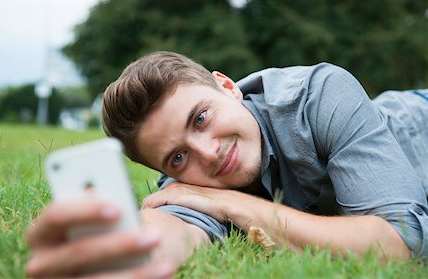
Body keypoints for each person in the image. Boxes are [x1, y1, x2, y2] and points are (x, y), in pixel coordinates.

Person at [26, 51, 428, 277]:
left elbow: (400, 243)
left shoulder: (319, 94)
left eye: (200, 118)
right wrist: (122, 258)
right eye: (178, 157)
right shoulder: (186, 183)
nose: (208, 153)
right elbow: (173, 227)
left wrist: (233, 205)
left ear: (228, 87)